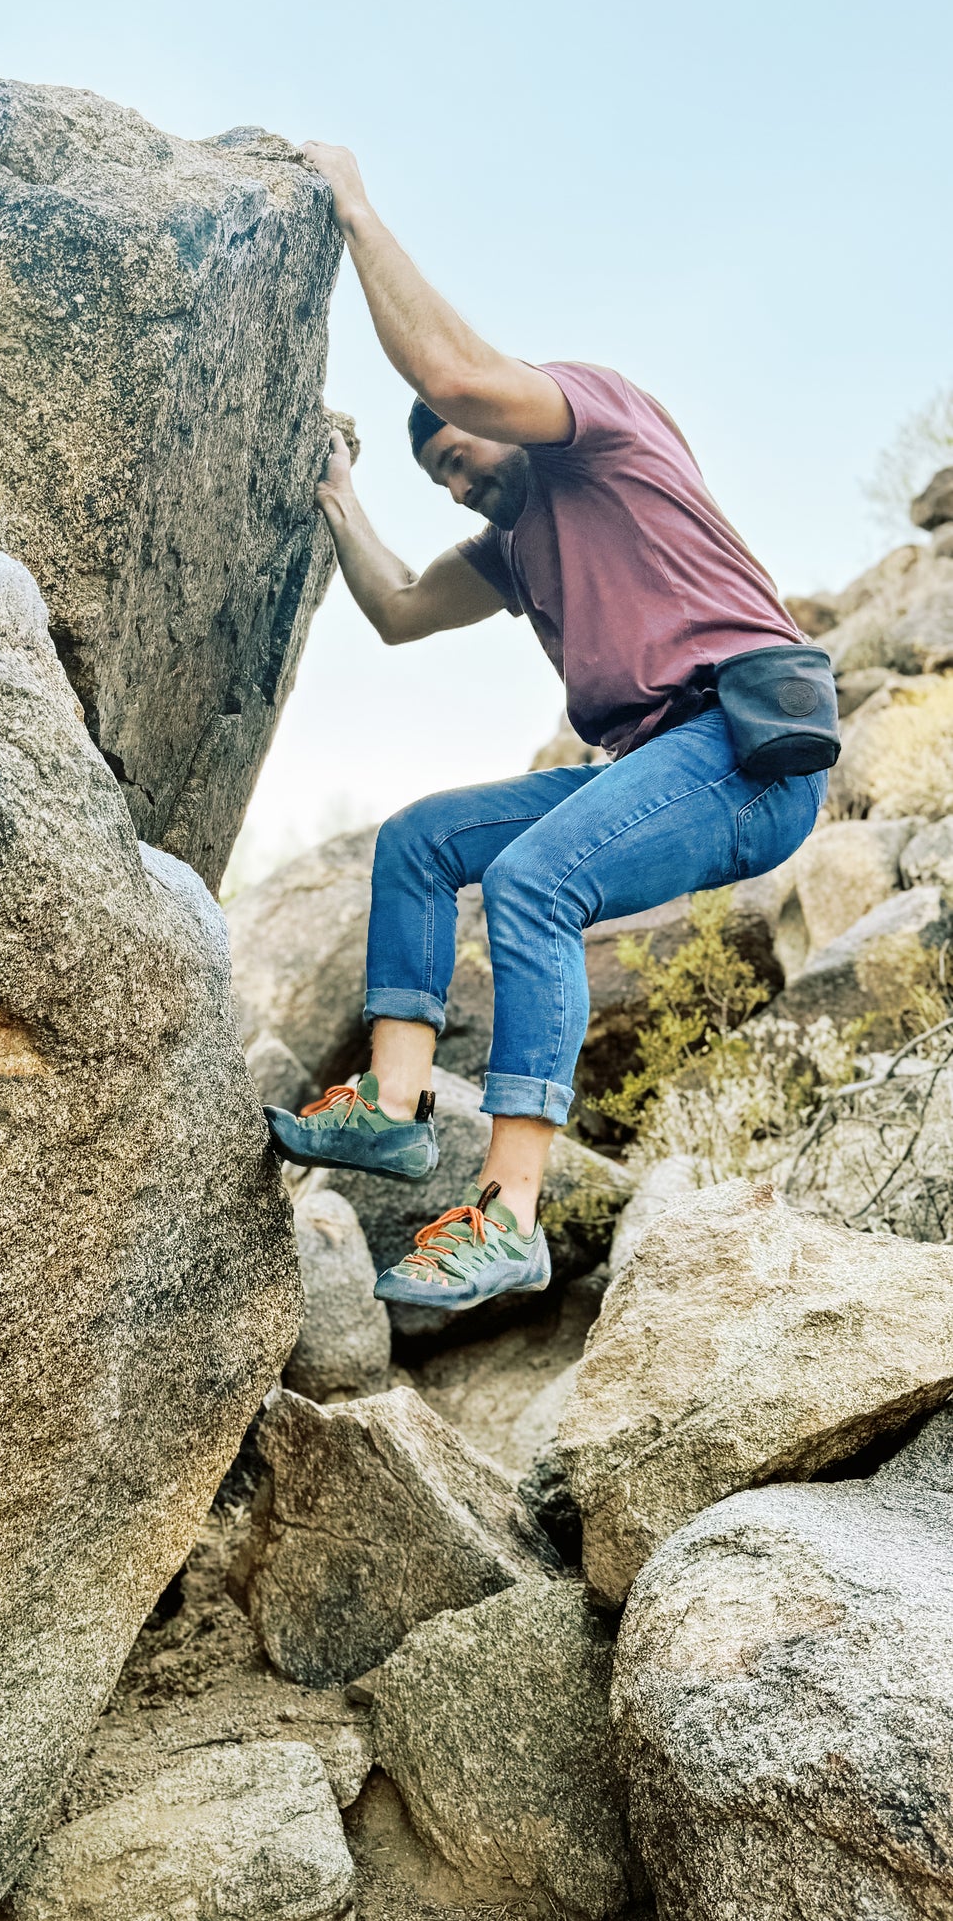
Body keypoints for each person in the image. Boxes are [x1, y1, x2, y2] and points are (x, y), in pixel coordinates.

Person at [264, 140, 828, 1312]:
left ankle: (507, 1216)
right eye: (445, 485)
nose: (462, 487)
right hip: (656, 761)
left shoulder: (598, 420)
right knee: (420, 840)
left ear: (518, 420)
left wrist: (354, 211)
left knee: (530, 880)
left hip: (742, 747)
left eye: (465, 463)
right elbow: (401, 611)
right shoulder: (510, 545)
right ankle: (392, 1109)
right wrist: (334, 492)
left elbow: (461, 376)